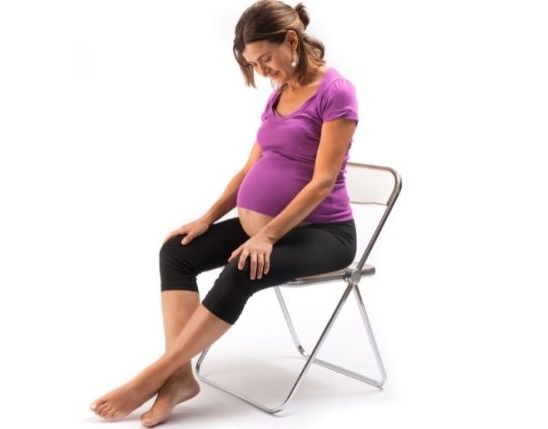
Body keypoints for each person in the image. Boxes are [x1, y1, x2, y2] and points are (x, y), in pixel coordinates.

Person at [90, 0, 359, 426]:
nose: (262, 70)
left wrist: (266, 236)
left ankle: (152, 376)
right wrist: (207, 218)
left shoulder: (336, 91)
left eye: (265, 59)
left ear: (291, 41)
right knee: (177, 251)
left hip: (323, 233)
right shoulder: (279, 94)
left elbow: (322, 181)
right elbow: (250, 169)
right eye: (254, 64)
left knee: (242, 268)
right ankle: (180, 379)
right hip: (268, 231)